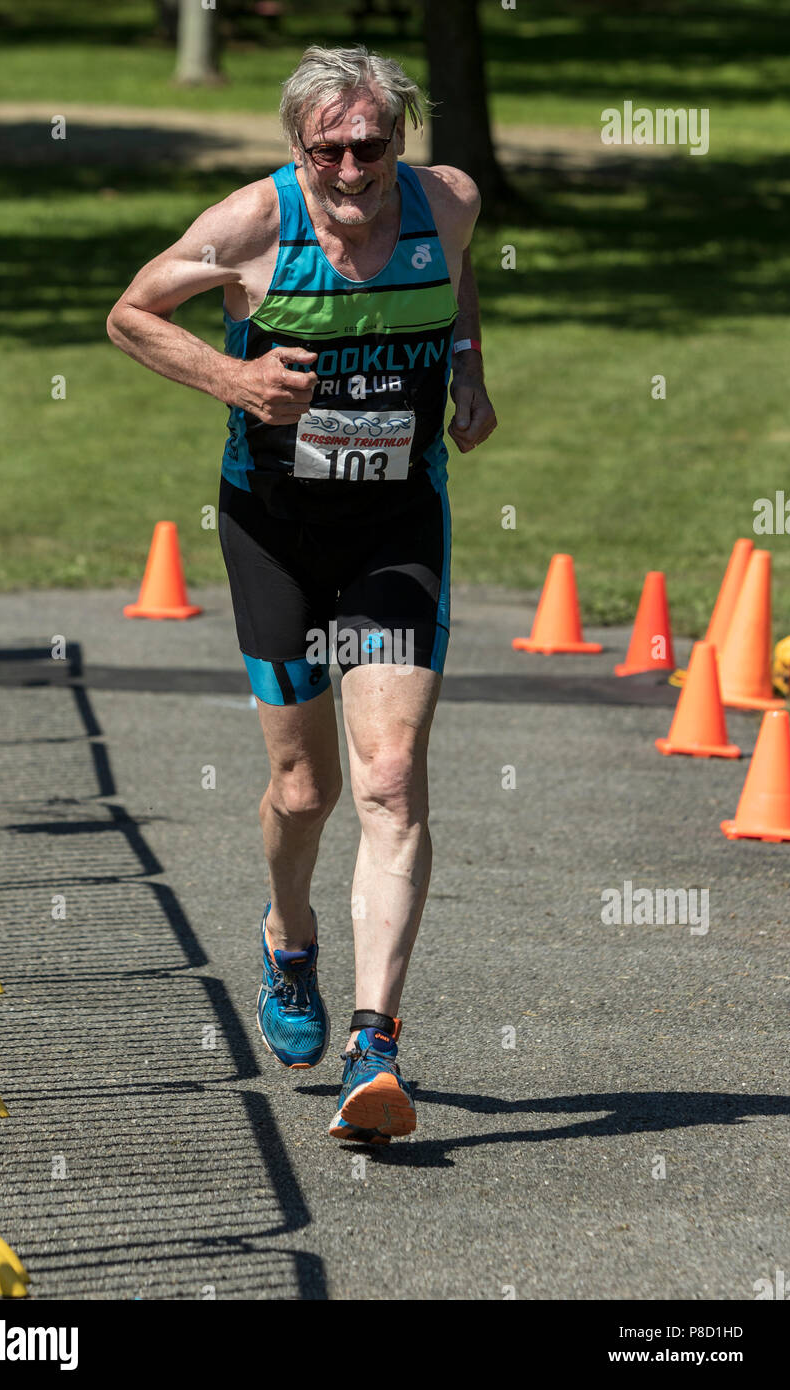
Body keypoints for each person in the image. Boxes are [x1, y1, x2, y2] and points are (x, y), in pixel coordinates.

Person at [106, 44, 497, 1144]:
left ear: (399, 141)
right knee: (302, 786)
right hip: (273, 532)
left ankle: (375, 1046)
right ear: (296, 147)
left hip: (393, 528)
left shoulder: (448, 204)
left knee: (388, 776)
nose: (350, 168)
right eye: (326, 148)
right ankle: (289, 937)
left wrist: (466, 369)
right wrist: (233, 379)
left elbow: (457, 277)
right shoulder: (250, 226)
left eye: (370, 145)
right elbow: (130, 314)